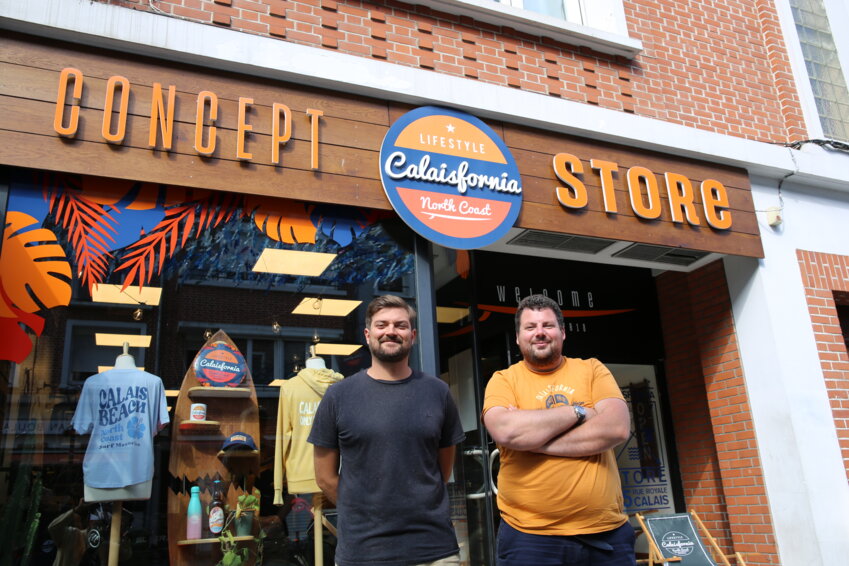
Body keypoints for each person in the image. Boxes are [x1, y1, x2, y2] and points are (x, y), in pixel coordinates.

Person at [308, 295, 466, 566]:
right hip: (364, 552)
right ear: (368, 335)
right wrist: (363, 511)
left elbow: (442, 470)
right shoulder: (338, 396)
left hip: (434, 550)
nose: (391, 331)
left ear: (412, 335)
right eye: (382, 325)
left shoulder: (437, 391)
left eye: (400, 325)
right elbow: (325, 477)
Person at [482, 294, 635, 566]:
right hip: (530, 537)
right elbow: (507, 433)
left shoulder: (592, 369)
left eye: (548, 325)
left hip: (604, 534)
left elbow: (616, 428)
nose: (539, 333)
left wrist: (536, 440)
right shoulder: (503, 380)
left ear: (562, 333)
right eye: (530, 327)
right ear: (518, 337)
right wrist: (578, 412)